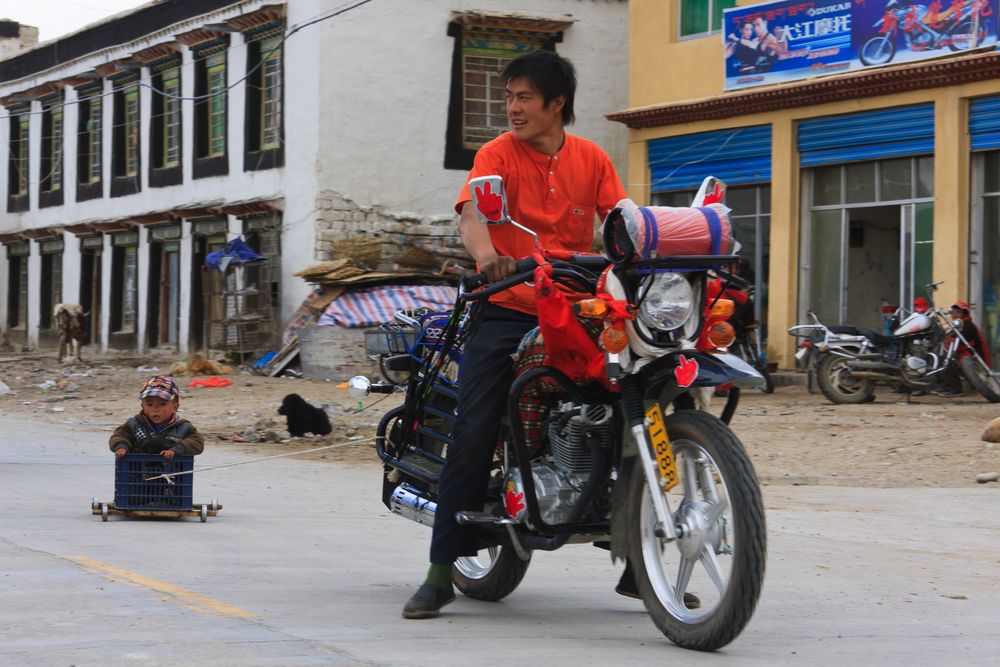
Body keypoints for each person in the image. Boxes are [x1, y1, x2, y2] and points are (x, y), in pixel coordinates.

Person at [402, 50, 627, 619]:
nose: (512, 108)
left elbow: (620, 218)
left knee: (630, 399)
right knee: (475, 424)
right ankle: (438, 570)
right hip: (513, 305)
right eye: (509, 97)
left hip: (580, 305)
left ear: (557, 104)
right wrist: (488, 258)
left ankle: (640, 558)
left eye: (524, 97)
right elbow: (473, 214)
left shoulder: (592, 157)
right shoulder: (496, 154)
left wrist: (657, 242)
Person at [109, 376, 205, 459]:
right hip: (136, 473)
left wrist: (177, 449)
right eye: (150, 404)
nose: (155, 409)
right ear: (142, 406)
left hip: (171, 474)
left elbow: (197, 442)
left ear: (174, 407)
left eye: (162, 404)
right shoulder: (133, 424)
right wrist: (121, 446)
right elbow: (119, 436)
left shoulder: (183, 427)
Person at [934, 301, 991, 397]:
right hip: (970, 361)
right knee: (943, 356)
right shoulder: (958, 327)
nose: (955, 315)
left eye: (958, 312)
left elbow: (960, 346)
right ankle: (946, 385)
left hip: (978, 364)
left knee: (948, 360)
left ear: (965, 314)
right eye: (953, 312)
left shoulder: (968, 326)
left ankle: (955, 388)